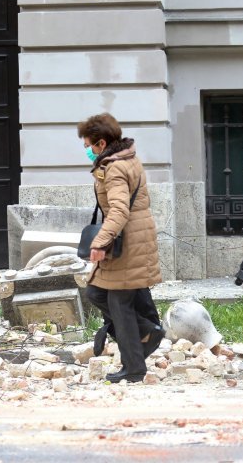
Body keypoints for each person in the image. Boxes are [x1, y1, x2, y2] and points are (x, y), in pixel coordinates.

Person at [78, 113, 164, 383]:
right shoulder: (127, 158)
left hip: (127, 241)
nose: (88, 151)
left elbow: (119, 209)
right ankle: (147, 331)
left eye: (89, 145)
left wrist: (100, 242)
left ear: (102, 143)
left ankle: (134, 366)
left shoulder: (114, 168)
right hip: (133, 237)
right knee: (96, 292)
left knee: (119, 302)